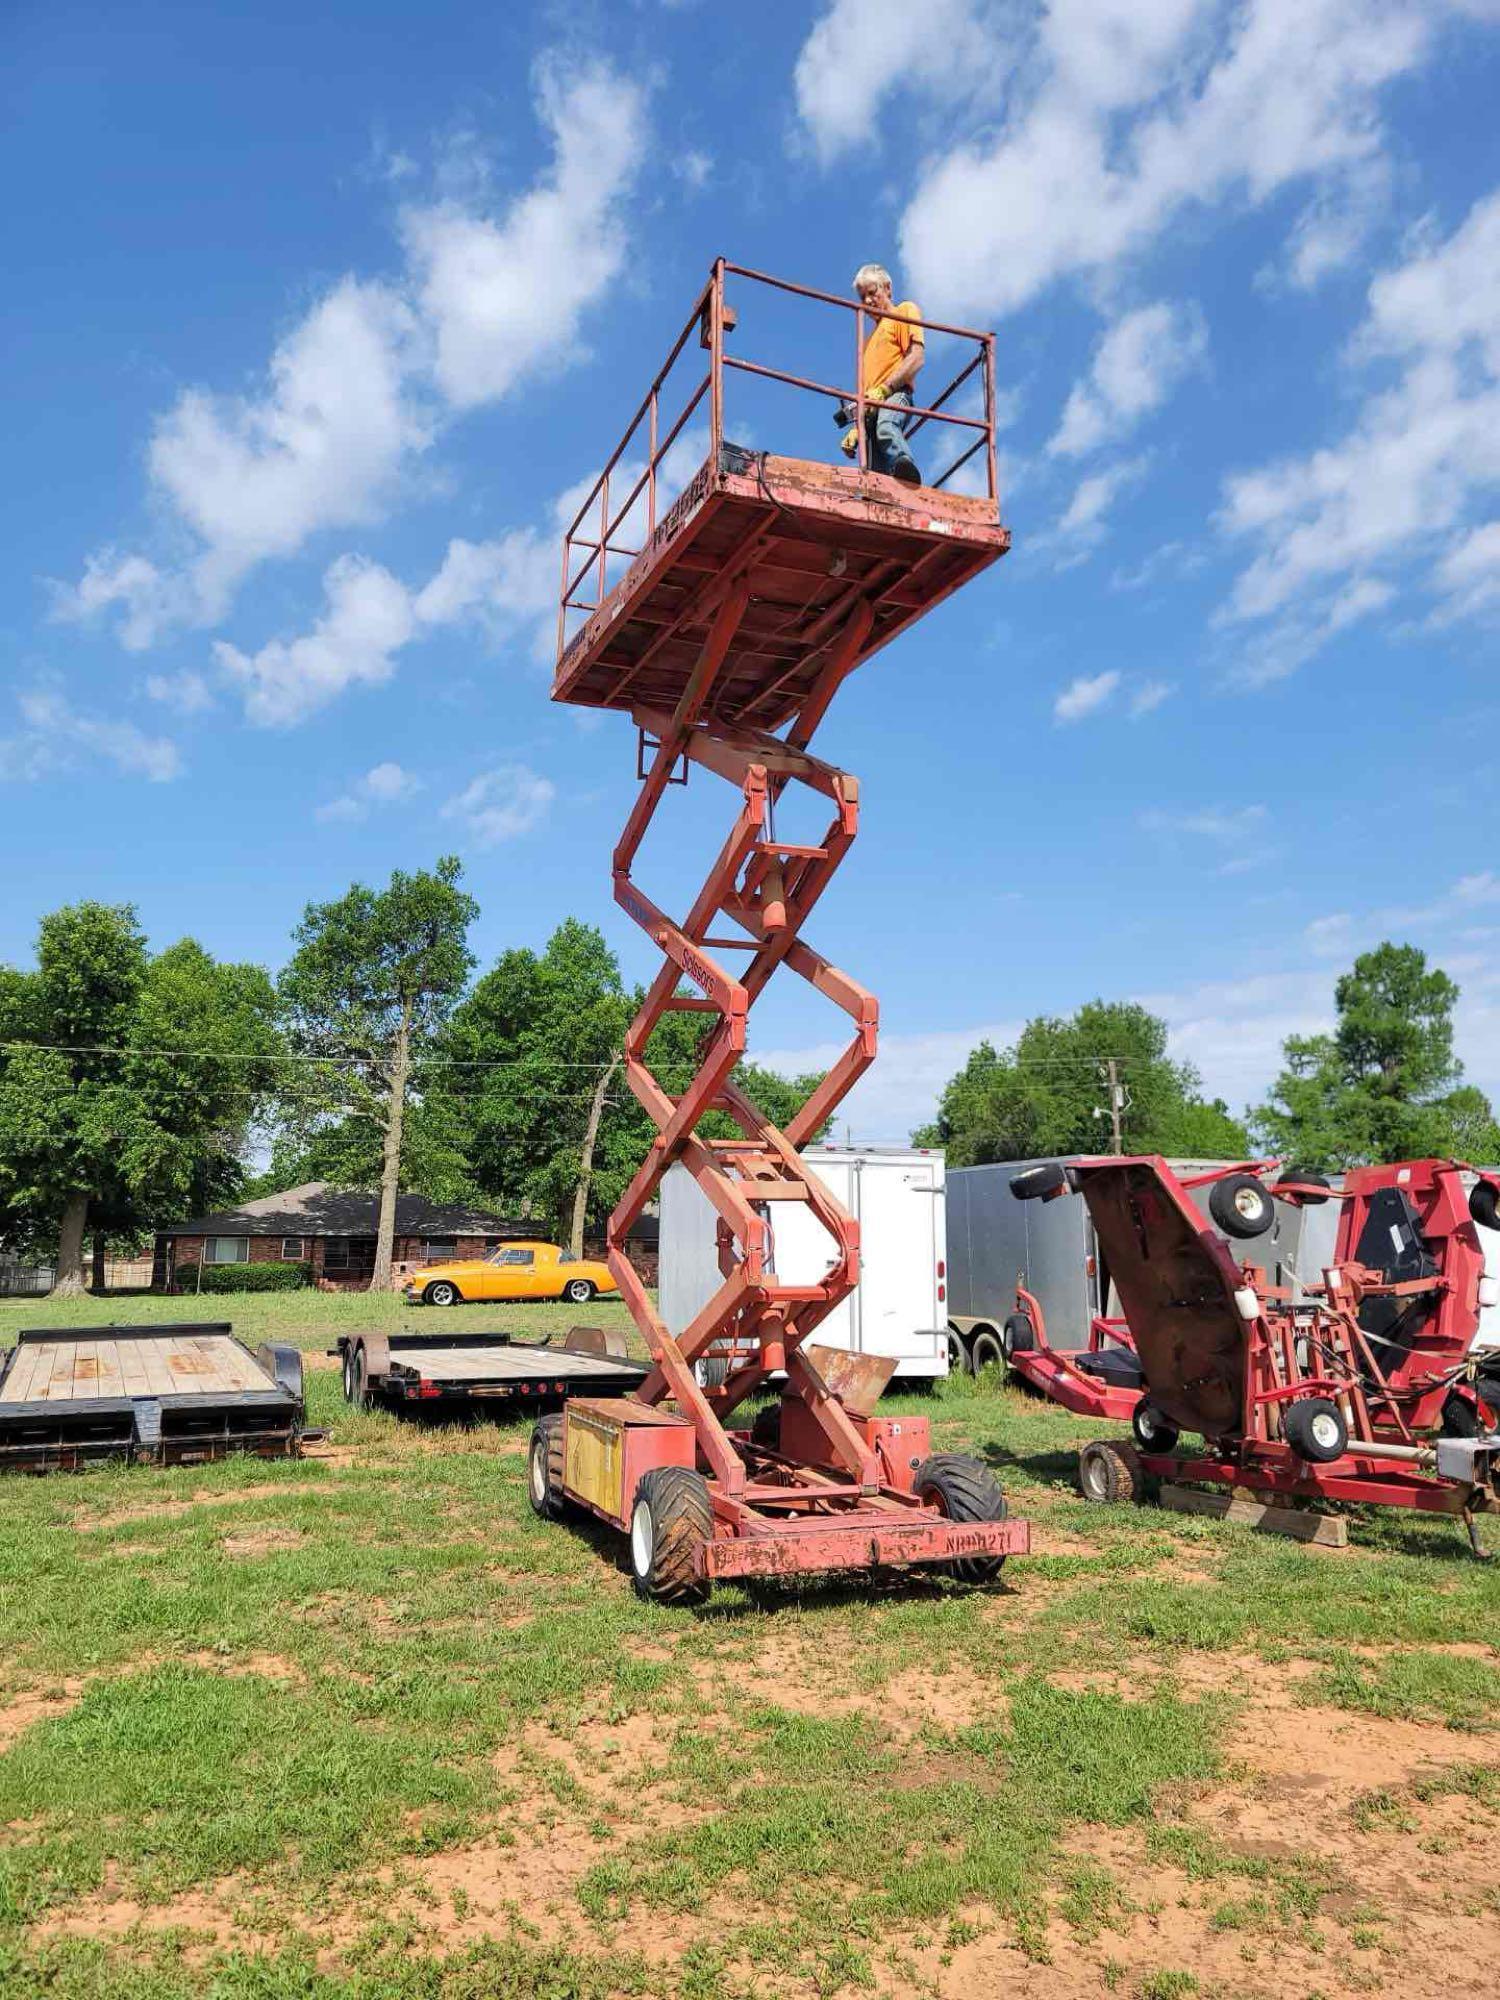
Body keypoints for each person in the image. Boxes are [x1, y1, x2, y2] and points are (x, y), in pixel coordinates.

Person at [837, 264, 925, 484]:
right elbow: (867, 392)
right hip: (871, 410)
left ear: (888, 288)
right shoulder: (865, 344)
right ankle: (886, 495)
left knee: (886, 427)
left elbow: (916, 357)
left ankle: (906, 469)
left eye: (872, 292)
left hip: (895, 394)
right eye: (862, 297)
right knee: (875, 474)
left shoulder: (903, 312)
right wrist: (858, 428)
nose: (867, 301)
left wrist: (886, 389)